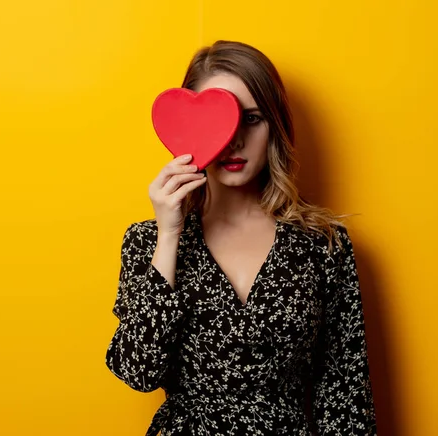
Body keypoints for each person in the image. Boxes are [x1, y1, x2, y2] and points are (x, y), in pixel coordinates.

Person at [105, 40, 377, 435]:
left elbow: (345, 393)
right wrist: (169, 234)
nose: (232, 140)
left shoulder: (323, 245)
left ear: (274, 126)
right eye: (218, 121)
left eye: (250, 119)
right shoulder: (148, 241)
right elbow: (138, 370)